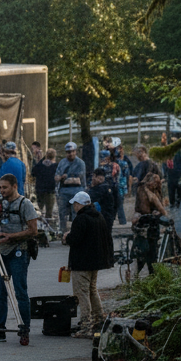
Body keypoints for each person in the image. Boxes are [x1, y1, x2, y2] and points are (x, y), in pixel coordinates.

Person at [0, 174, 38, 344]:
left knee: (20, 291)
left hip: (19, 250)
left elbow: (33, 230)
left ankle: (24, 328)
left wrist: (11, 236)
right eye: (0, 187)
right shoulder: (0, 203)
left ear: (14, 186)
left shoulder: (24, 204)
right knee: (0, 292)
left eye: (5, 187)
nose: (2, 191)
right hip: (1, 252)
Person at [62, 192, 113, 338]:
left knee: (81, 293)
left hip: (82, 263)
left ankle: (86, 326)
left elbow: (75, 239)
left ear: (80, 204)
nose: (74, 207)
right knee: (92, 290)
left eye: (75, 204)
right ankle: (99, 320)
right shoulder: (98, 216)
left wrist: (67, 237)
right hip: (96, 262)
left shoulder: (81, 219)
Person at [133, 172, 168, 276]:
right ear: (149, 182)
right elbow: (149, 207)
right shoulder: (144, 191)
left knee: (149, 251)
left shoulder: (151, 190)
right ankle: (147, 274)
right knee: (148, 251)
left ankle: (148, 274)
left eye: (157, 183)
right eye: (154, 183)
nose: (155, 185)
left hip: (150, 224)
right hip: (146, 225)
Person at [55, 142, 87, 232]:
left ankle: (76, 232)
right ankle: (63, 232)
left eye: (72, 151)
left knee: (76, 213)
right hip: (64, 192)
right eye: (69, 152)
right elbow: (56, 177)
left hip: (77, 191)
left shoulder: (80, 163)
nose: (71, 154)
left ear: (75, 151)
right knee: (62, 213)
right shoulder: (62, 163)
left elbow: (79, 179)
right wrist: (61, 178)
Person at [31, 149, 59, 233]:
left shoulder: (39, 165)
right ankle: (48, 229)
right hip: (50, 191)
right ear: (54, 156)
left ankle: (39, 228)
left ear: (46, 155)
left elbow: (33, 173)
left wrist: (39, 161)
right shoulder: (56, 166)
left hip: (40, 190)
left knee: (39, 211)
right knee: (49, 212)